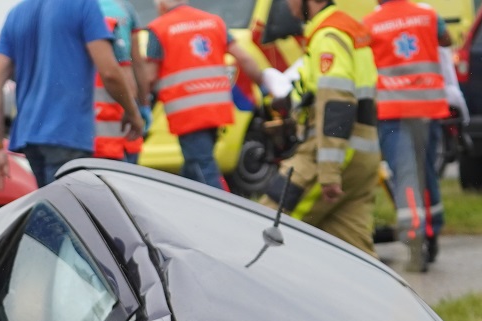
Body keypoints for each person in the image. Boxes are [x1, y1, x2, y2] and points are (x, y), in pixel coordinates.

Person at [0, 0, 145, 190]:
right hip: (66, 133)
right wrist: (133, 112)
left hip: (29, 137)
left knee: (54, 210)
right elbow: (110, 72)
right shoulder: (84, 5)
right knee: (73, 214)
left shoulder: (16, 14)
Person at [269, 0, 379, 253]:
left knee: (268, 225)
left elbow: (337, 104)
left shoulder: (328, 36)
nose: (287, 5)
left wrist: (329, 171)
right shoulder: (345, 28)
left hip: (333, 155)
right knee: (354, 254)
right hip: (360, 156)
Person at [137, 0, 276, 190]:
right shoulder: (213, 22)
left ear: (160, 5)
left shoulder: (159, 28)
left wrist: (141, 105)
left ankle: (222, 211)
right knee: (193, 165)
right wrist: (265, 87)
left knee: (203, 169)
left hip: (187, 112)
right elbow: (243, 58)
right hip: (216, 110)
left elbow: (150, 76)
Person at [364, 0, 448, 272]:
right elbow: (446, 40)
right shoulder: (428, 15)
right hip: (427, 107)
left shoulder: (370, 24)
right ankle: (432, 231)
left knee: (405, 173)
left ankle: (415, 239)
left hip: (393, 110)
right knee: (426, 171)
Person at [92, 0, 141, 163]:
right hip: (116, 122)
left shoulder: (65, 18)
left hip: (87, 131)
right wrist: (137, 108)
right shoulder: (119, 15)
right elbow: (130, 68)